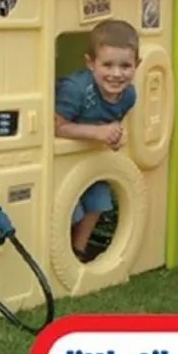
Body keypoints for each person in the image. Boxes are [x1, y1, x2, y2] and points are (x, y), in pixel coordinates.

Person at [54, 19, 140, 263]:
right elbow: (55, 127)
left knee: (99, 199)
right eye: (108, 65)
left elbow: (111, 124)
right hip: (61, 157)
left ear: (137, 65)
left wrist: (113, 137)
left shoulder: (128, 95)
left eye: (126, 66)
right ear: (91, 63)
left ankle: (78, 250)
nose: (116, 74)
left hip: (89, 157)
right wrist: (97, 133)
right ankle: (58, 252)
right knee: (71, 210)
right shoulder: (76, 90)